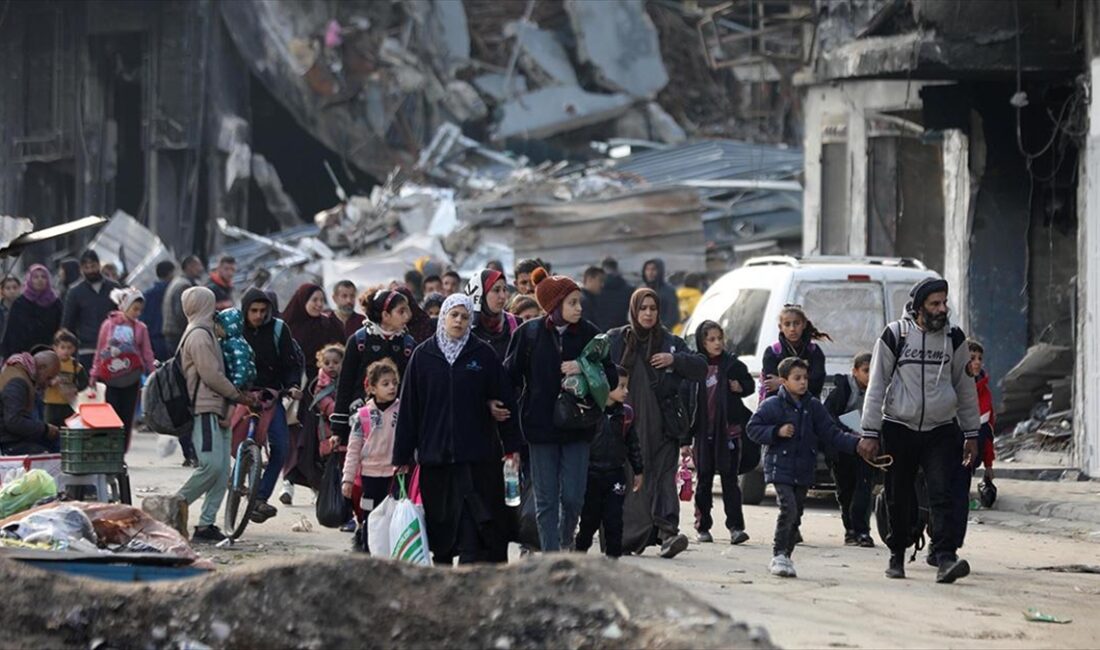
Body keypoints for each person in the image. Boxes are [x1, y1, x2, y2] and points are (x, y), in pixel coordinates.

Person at [860, 277, 981, 584]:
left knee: (943, 494)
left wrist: (971, 433)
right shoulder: (895, 335)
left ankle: (945, 558)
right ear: (918, 307)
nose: (942, 309)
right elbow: (876, 386)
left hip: (941, 430)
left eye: (944, 303)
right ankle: (896, 555)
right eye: (934, 304)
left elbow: (965, 389)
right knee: (899, 495)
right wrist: (870, 432)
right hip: (899, 427)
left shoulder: (954, 339)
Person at [393, 294, 520, 565]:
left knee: (473, 532)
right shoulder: (423, 355)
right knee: (441, 536)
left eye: (464, 316)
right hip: (436, 460)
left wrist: (512, 447)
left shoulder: (482, 354)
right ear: (443, 317)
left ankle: (467, 586)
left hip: (476, 460)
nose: (459, 321)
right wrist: (402, 456)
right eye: (454, 315)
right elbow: (409, 409)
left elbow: (504, 401)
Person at [504, 268, 616, 553]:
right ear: (555, 305)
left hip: (579, 427)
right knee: (546, 500)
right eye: (572, 302)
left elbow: (612, 377)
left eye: (579, 302)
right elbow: (510, 377)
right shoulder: (528, 334)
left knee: (573, 497)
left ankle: (567, 539)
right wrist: (498, 406)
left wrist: (584, 367)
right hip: (540, 429)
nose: (579, 308)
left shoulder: (591, 334)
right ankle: (553, 558)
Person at [748, 358, 875, 578]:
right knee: (788, 508)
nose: (803, 382)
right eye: (797, 378)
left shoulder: (813, 406)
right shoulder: (772, 405)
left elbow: (831, 432)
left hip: (804, 470)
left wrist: (857, 444)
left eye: (805, 378)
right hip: (781, 468)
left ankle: (787, 556)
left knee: (796, 514)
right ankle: (778, 554)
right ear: (784, 381)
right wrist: (776, 432)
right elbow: (753, 428)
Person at [608, 288, 706, 558]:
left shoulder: (669, 342)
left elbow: (700, 366)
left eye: (653, 308)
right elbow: (593, 364)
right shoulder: (617, 340)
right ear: (634, 310)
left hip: (663, 425)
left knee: (663, 478)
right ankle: (627, 537)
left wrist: (675, 360)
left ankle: (668, 534)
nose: (648, 313)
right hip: (625, 426)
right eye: (643, 308)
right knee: (629, 478)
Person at [175, 287, 255, 542]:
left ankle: (206, 524)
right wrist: (238, 396)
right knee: (210, 465)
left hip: (219, 406)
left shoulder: (209, 333)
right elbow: (210, 375)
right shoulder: (198, 335)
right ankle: (172, 507)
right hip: (204, 407)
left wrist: (231, 401)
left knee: (223, 471)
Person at [240, 288, 304, 523]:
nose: (258, 315)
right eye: (253, 311)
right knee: (237, 443)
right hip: (240, 397)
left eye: (262, 311)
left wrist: (293, 385)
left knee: (281, 447)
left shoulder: (279, 329)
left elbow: (290, 363)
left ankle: (260, 497)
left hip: (270, 396)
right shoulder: (235, 329)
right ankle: (238, 480)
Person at [690, 320, 755, 546]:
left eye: (720, 339)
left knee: (730, 481)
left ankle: (736, 528)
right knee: (704, 480)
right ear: (702, 342)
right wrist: (685, 438)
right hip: (703, 434)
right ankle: (703, 527)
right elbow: (688, 399)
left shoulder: (732, 364)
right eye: (711, 339)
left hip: (730, 433)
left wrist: (741, 387)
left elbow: (750, 385)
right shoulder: (696, 365)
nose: (717, 343)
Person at [575, 367, 643, 559]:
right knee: (589, 519)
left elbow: (633, 444)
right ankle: (579, 553)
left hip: (615, 474)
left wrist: (639, 470)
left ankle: (613, 559)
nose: (626, 391)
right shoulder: (590, 411)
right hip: (591, 474)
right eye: (621, 386)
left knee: (614, 519)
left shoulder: (626, 415)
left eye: (626, 386)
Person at [330, 289, 415, 443]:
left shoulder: (407, 344)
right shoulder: (359, 341)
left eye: (407, 310)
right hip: (362, 418)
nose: (407, 316)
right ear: (385, 315)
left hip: (396, 419)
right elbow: (345, 384)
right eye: (401, 311)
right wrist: (338, 429)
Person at [342, 358, 400, 552]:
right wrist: (348, 480)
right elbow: (353, 449)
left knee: (393, 518)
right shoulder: (363, 416)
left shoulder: (402, 412)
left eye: (394, 383)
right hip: (370, 477)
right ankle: (367, 552)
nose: (392, 387)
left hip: (395, 475)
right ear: (372, 388)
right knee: (370, 516)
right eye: (385, 384)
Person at [91, 288, 156, 450]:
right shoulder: (108, 325)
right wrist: (94, 374)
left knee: (127, 417)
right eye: (135, 309)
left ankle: (121, 451)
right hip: (110, 378)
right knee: (110, 416)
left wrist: (153, 373)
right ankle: (109, 448)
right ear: (125, 306)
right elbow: (100, 350)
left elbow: (147, 352)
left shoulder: (141, 328)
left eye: (140, 310)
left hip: (131, 378)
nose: (137, 313)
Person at [823, 352, 875, 548]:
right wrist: (848, 432)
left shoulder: (879, 391)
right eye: (865, 371)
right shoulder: (843, 391)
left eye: (873, 371)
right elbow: (828, 417)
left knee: (864, 489)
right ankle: (850, 530)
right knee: (845, 491)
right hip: (843, 450)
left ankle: (863, 531)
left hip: (867, 449)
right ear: (855, 372)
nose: (870, 376)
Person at [62, 250, 122, 370]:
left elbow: (122, 317)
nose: (90, 270)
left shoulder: (114, 288)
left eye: (93, 266)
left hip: (112, 347)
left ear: (99, 265)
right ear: (81, 269)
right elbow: (68, 323)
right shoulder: (75, 292)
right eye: (86, 267)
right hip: (86, 348)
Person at [760, 304, 829, 400]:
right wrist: (801, 384)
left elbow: (816, 384)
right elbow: (771, 385)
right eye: (787, 324)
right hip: (779, 405)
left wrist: (781, 383)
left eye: (796, 323)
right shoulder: (773, 352)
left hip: (808, 405)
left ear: (804, 324)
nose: (792, 329)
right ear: (780, 327)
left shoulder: (814, 351)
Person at [0, 350, 62, 454]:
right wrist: (45, 429)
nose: (49, 383)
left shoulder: (20, 373)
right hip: (9, 442)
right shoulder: (17, 382)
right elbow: (14, 422)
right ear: (42, 367)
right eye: (49, 378)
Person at [1, 264, 62, 357]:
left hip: (50, 356)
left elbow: (61, 328)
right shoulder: (20, 303)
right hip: (23, 356)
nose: (40, 280)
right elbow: (12, 333)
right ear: (30, 279)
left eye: (43, 277)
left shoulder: (55, 303)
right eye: (35, 277)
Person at [467, 269, 518, 360]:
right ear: (481, 293)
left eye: (504, 289)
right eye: (496, 290)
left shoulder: (515, 324)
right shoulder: (467, 327)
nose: (502, 296)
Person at [44, 330, 89, 428]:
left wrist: (75, 389)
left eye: (69, 348)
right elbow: (40, 381)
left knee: (67, 430)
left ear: (74, 349)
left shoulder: (75, 366)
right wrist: (51, 383)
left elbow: (84, 383)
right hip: (51, 404)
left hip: (68, 404)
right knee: (50, 429)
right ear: (55, 348)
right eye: (62, 347)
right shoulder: (49, 363)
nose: (66, 351)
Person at [162, 255, 205, 353]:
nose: (201, 269)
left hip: (172, 334)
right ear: (189, 266)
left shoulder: (178, 281)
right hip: (178, 335)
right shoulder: (184, 285)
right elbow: (182, 312)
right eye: (198, 265)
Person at [142, 260, 176, 361]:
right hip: (171, 337)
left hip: (153, 339)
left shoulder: (147, 294)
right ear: (171, 273)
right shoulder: (173, 291)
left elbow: (143, 317)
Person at [214, 308, 255, 390]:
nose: (216, 329)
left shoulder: (236, 344)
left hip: (241, 385)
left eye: (219, 326)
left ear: (227, 327)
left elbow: (241, 365)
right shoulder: (225, 341)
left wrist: (236, 386)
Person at [594, 257, 633, 332]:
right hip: (622, 332)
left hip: (601, 332)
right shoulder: (629, 288)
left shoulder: (596, 289)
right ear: (616, 268)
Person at [641, 259, 680, 329]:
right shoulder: (641, 290)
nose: (650, 273)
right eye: (647, 269)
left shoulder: (668, 291)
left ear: (659, 271)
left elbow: (673, 316)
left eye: (653, 270)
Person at [0, 275, 20, 342]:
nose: (12, 291)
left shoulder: (24, 309)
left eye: (15, 288)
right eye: (8, 288)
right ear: (2, 290)